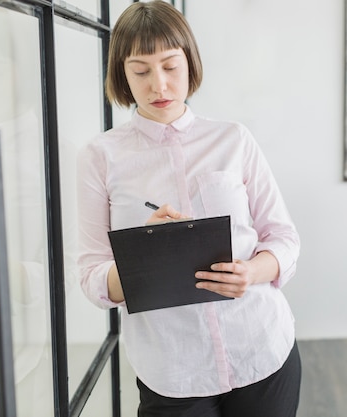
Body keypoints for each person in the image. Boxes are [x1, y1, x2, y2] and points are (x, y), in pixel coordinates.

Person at [76, 2, 301, 416]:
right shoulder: (100, 157)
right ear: (122, 74)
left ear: (190, 63)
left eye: (170, 66)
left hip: (262, 348)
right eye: (141, 71)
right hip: (173, 372)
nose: (158, 85)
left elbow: (283, 238)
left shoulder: (234, 139)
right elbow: (92, 279)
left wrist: (252, 272)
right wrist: (145, 254)